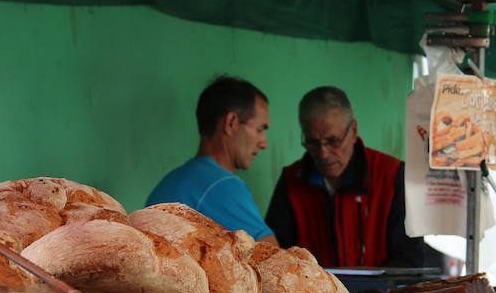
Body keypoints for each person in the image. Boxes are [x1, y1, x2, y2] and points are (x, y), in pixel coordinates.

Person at [265, 86, 424, 268]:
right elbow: (277, 256)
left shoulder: (392, 175)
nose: (323, 154)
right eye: (313, 142)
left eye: (333, 141)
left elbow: (410, 260)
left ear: (353, 131)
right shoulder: (291, 180)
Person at [146, 75, 277, 243]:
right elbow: (272, 258)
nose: (263, 143)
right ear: (231, 123)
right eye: (260, 129)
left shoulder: (167, 183)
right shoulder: (223, 185)